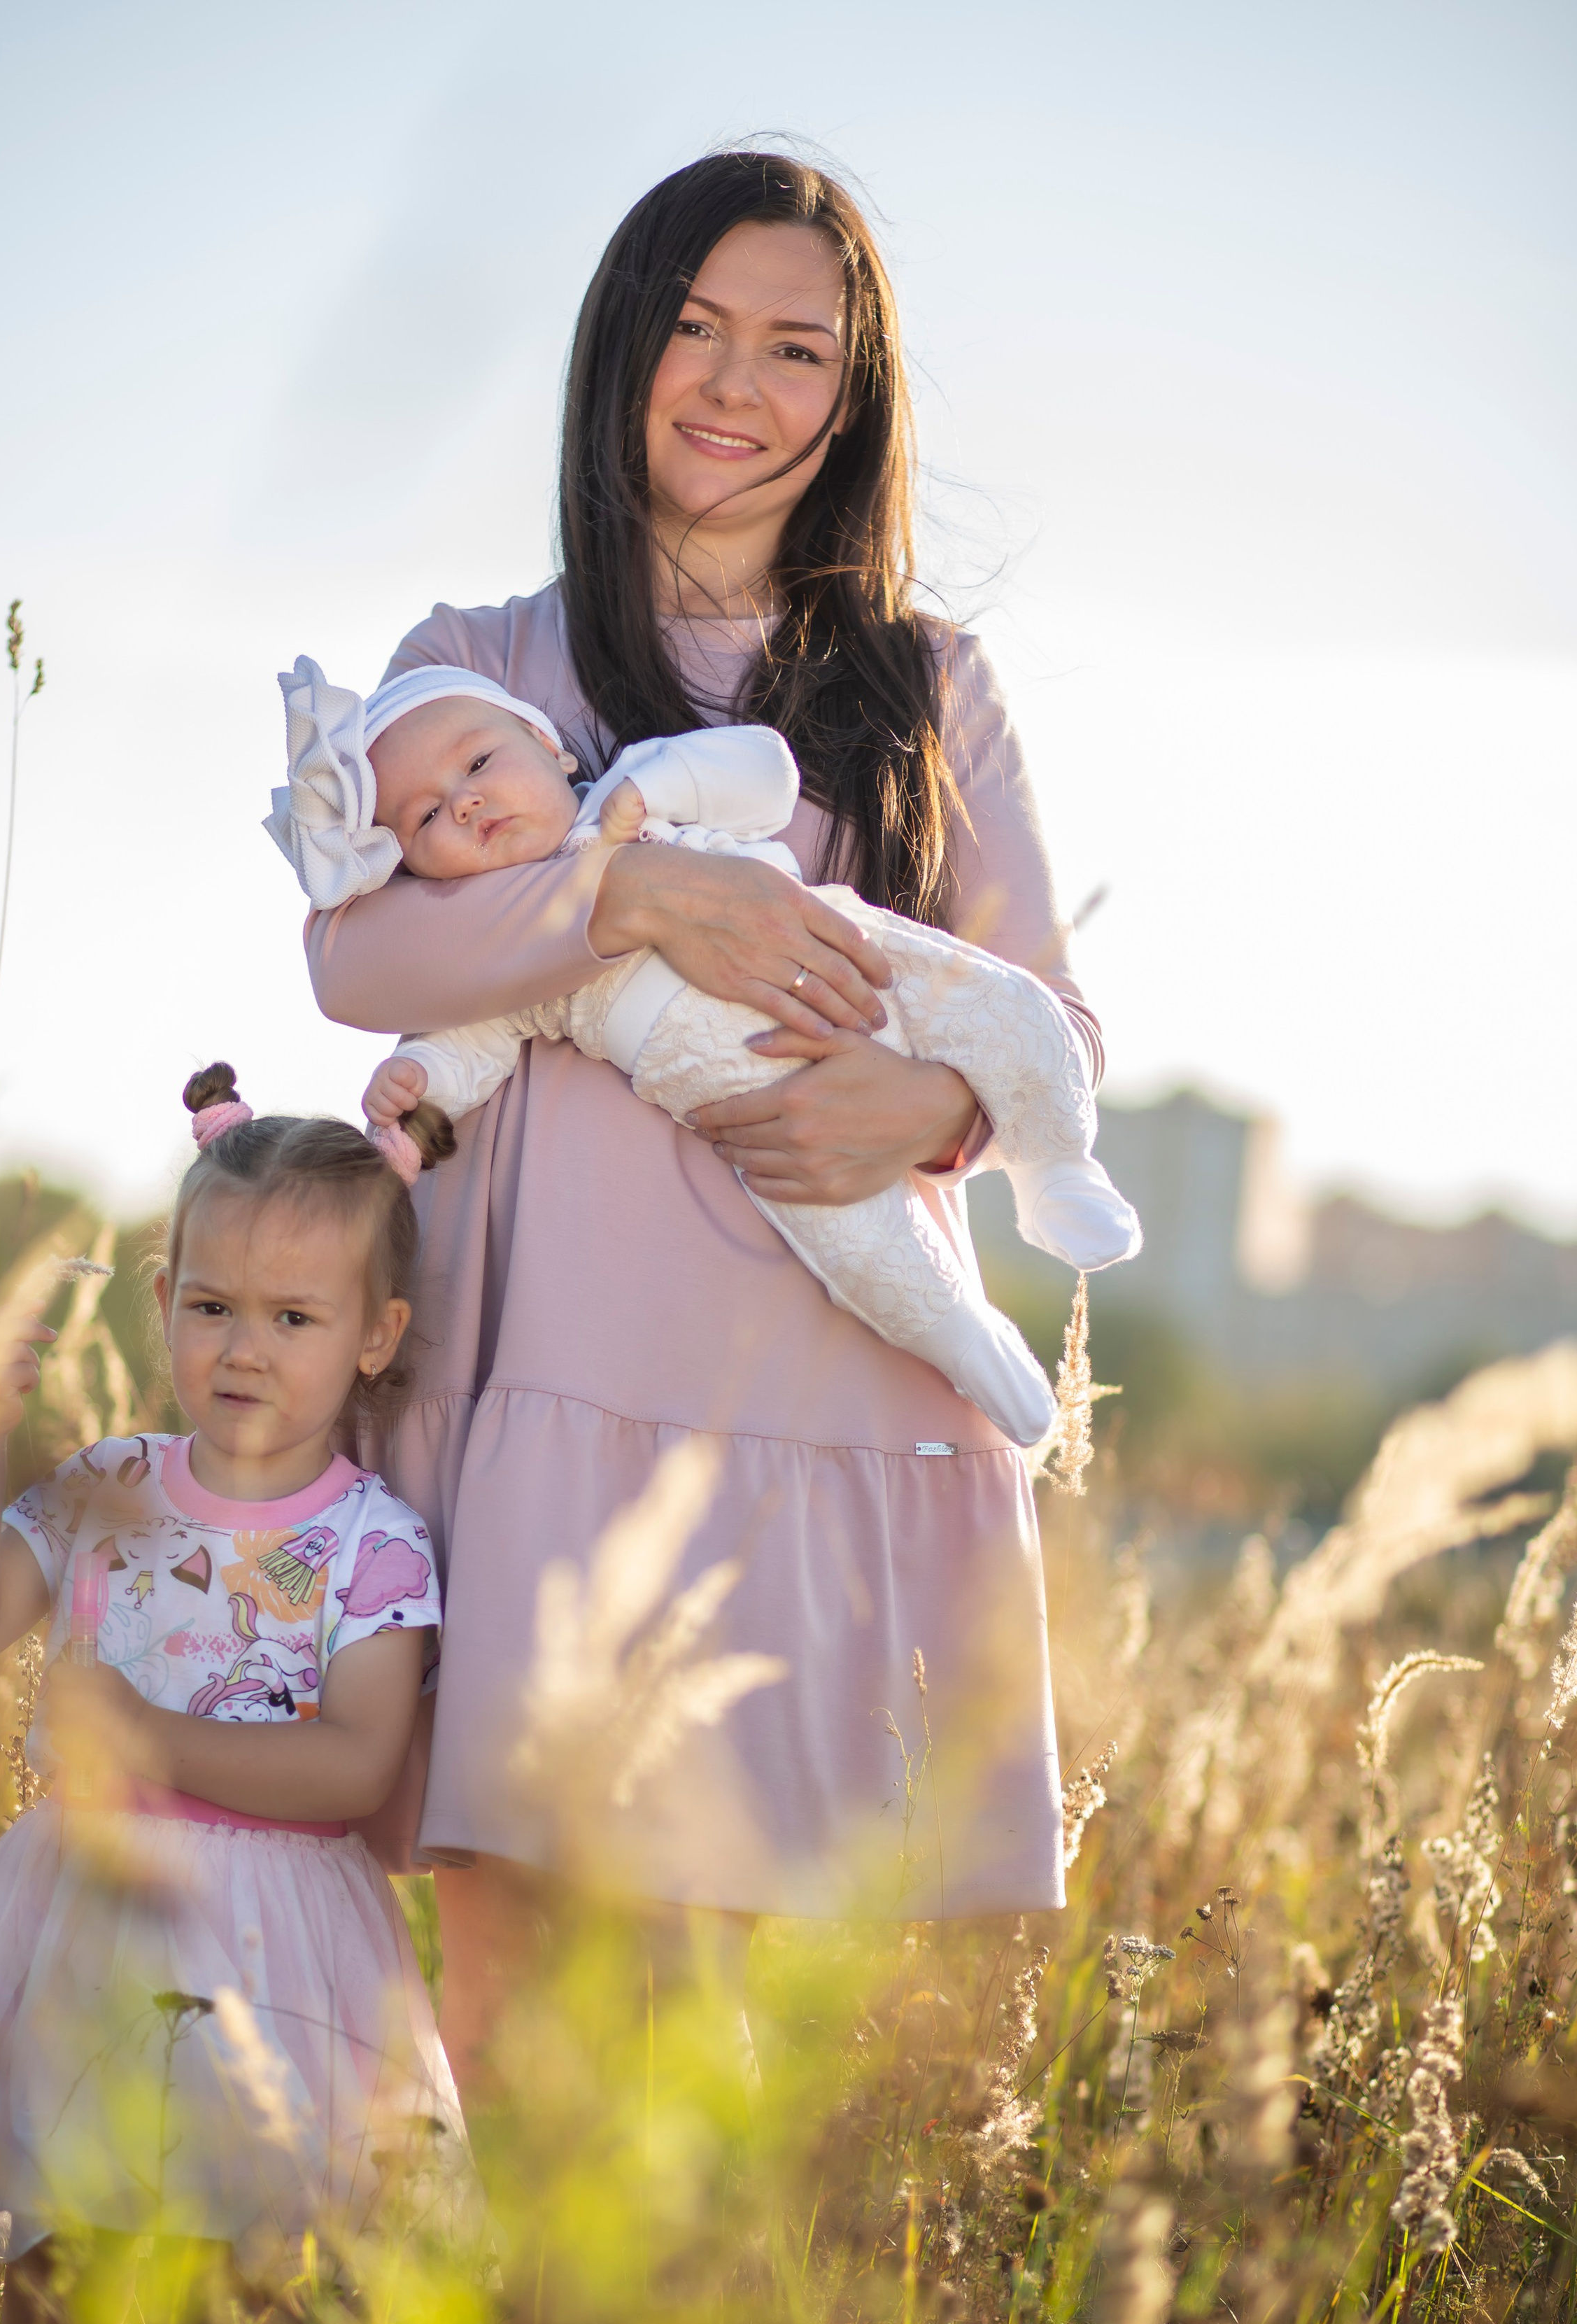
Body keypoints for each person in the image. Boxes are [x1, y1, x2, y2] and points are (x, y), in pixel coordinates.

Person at [304, 151, 1108, 2099]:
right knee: (512, 1993)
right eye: (695, 328)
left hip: (823, 1412)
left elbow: (1052, 1024)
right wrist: (631, 898)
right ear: (622, 345)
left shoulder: (927, 690)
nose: (736, 385)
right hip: (543, 1405)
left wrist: (919, 1108)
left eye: (795, 349)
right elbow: (359, 953)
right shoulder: (482, 656)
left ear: (855, 397)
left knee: (753, 2063)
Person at [0, 1065, 467, 2324]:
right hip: (86, 1916)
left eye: (293, 1316)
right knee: (57, 2276)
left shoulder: (371, 1544)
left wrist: (149, 1736)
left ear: (375, 1334)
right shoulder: (106, 1489)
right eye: (211, 1307)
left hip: (272, 1946)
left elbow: (356, 1763)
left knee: (236, 2300)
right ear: (165, 1304)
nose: (244, 1347)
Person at [265, 660, 1139, 1445]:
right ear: (416, 866)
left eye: (479, 763)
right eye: (424, 816)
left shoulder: (635, 798)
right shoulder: (514, 957)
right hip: (751, 1106)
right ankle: (968, 1340)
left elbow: (767, 776)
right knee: (862, 1250)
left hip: (861, 958)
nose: (463, 800)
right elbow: (464, 1048)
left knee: (1012, 1009)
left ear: (545, 744)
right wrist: (420, 1083)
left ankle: (1055, 1166)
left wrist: (667, 782)